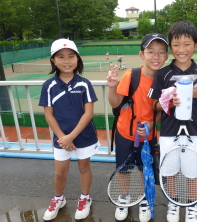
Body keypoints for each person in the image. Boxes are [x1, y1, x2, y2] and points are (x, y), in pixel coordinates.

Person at [148, 21, 197, 222]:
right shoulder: (163, 73)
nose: (181, 49)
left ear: (196, 45)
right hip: (169, 132)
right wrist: (167, 101)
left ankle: (191, 206)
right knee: (169, 172)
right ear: (171, 46)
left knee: (193, 172)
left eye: (187, 44)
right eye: (176, 44)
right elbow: (154, 106)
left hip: (194, 131)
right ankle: (173, 202)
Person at [107, 33, 169, 222]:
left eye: (161, 52)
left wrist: (153, 123)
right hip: (125, 132)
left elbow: (161, 108)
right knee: (124, 169)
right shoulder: (131, 75)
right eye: (151, 52)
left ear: (166, 56)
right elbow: (116, 102)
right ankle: (124, 197)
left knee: (145, 169)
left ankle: (142, 199)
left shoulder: (164, 80)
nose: (156, 56)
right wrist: (111, 86)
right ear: (142, 55)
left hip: (148, 136)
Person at [39, 38, 100, 221]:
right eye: (61, 57)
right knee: (60, 172)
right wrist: (62, 138)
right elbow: (49, 115)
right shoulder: (48, 86)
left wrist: (71, 136)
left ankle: (85, 197)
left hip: (84, 136)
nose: (67, 61)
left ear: (77, 58)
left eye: (71, 56)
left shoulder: (84, 84)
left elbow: (88, 113)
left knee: (84, 167)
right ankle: (59, 198)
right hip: (61, 139)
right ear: (53, 60)